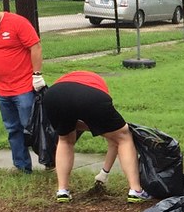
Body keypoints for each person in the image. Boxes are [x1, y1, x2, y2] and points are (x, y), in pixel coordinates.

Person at [42, 70, 150, 203]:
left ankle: (62, 191)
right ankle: (136, 190)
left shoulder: (70, 79)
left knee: (65, 139)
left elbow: (77, 123)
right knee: (124, 137)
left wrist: (104, 173)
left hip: (53, 95)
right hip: (90, 96)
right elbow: (113, 140)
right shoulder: (97, 90)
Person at [0, 9, 45, 173]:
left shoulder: (17, 22)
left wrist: (37, 75)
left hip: (23, 87)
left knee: (33, 127)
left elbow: (35, 46)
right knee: (12, 129)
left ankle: (50, 160)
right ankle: (22, 166)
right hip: (4, 89)